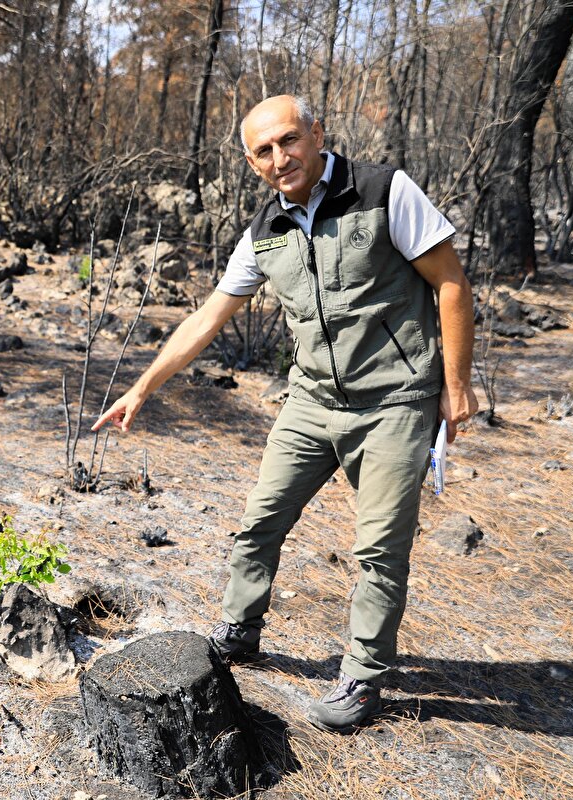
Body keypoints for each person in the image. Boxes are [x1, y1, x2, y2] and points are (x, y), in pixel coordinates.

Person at [92, 95, 478, 732]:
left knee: (379, 549)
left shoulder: (384, 191)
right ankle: (240, 631)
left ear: (317, 134)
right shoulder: (263, 232)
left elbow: (451, 283)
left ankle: (361, 676)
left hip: (394, 400)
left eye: (290, 141)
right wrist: (143, 388)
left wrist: (456, 386)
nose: (281, 158)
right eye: (264, 151)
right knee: (259, 521)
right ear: (251, 161)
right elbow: (210, 317)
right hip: (312, 401)